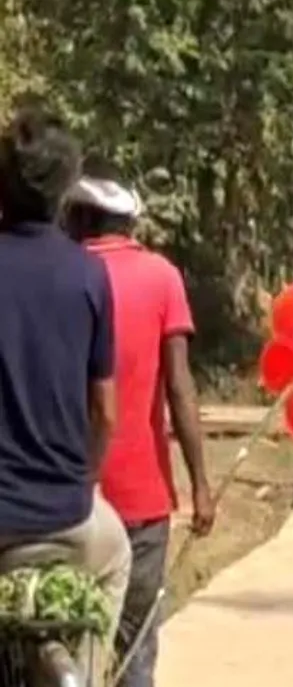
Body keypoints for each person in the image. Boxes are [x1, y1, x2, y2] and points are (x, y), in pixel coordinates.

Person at [62, 156, 214, 687]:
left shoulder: (64, 276)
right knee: (136, 645)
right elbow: (179, 387)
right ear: (132, 221)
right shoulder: (162, 276)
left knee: (66, 641)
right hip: (143, 497)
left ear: (78, 218)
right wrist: (200, 483)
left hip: (67, 497)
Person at [0, 104, 132, 673]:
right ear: (64, 192)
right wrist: (86, 481)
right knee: (117, 556)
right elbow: (105, 411)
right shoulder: (87, 275)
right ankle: (85, 670)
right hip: (66, 514)